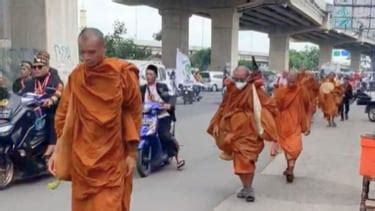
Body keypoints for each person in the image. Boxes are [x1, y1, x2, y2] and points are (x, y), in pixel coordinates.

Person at [48, 28, 141, 211]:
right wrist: (59, 150)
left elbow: (135, 111)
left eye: (91, 52)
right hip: (82, 161)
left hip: (113, 159)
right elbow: (63, 116)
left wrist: (131, 154)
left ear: (103, 49)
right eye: (82, 52)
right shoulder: (77, 77)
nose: (86, 57)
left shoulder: (121, 74)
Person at [207, 65, 278, 202]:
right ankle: (246, 187)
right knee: (239, 162)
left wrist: (266, 120)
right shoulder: (231, 89)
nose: (238, 81)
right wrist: (216, 123)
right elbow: (224, 107)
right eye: (235, 78)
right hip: (233, 132)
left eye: (241, 79)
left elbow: (269, 106)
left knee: (247, 160)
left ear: (248, 77)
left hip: (250, 131)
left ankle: (248, 188)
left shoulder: (255, 90)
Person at [140, 64, 185, 169]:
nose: (148, 76)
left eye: (151, 74)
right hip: (146, 117)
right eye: (147, 74)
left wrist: (168, 105)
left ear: (155, 76)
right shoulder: (142, 89)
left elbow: (172, 97)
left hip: (161, 116)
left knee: (164, 134)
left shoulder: (162, 87)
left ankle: (178, 157)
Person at [21, 52, 64, 157]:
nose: (36, 69)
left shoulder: (55, 79)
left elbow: (58, 92)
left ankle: (52, 144)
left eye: (39, 67)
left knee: (50, 116)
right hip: (34, 111)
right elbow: (21, 95)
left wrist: (51, 100)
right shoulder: (31, 82)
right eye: (34, 67)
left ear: (47, 67)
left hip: (52, 109)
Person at [274, 72, 311, 183]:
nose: (291, 84)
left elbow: (307, 104)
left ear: (297, 81)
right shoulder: (281, 91)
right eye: (289, 82)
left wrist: (306, 120)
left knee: (295, 147)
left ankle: (290, 167)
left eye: (293, 82)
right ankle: (290, 167)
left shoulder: (301, 91)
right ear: (287, 80)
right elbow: (278, 105)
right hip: (284, 123)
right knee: (287, 147)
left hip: (296, 122)